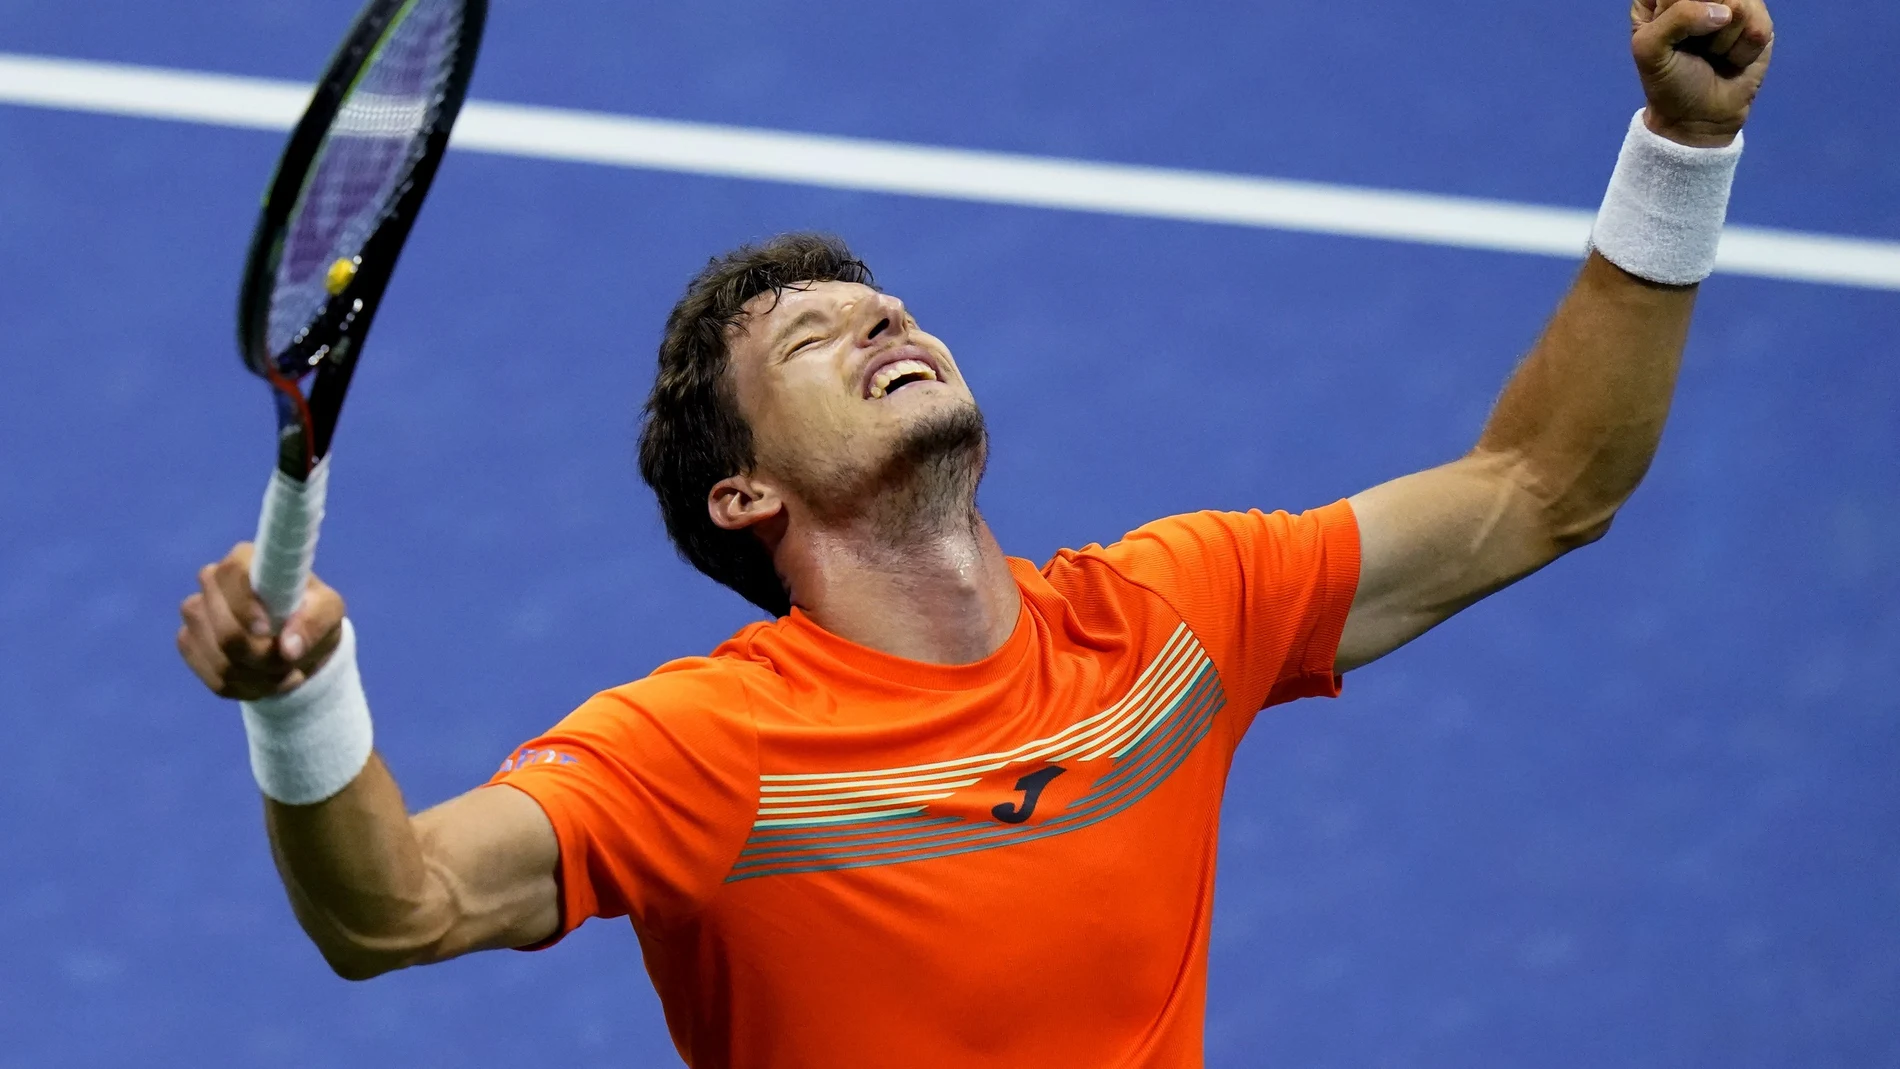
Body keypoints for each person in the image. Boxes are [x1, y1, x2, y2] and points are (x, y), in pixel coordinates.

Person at [177, 3, 1775, 1065]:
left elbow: (1545, 486)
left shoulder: (1169, 622)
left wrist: (1684, 146)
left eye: (883, 305)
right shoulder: (711, 752)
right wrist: (301, 701)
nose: (880, 319)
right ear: (747, 499)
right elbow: (395, 912)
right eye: (814, 339)